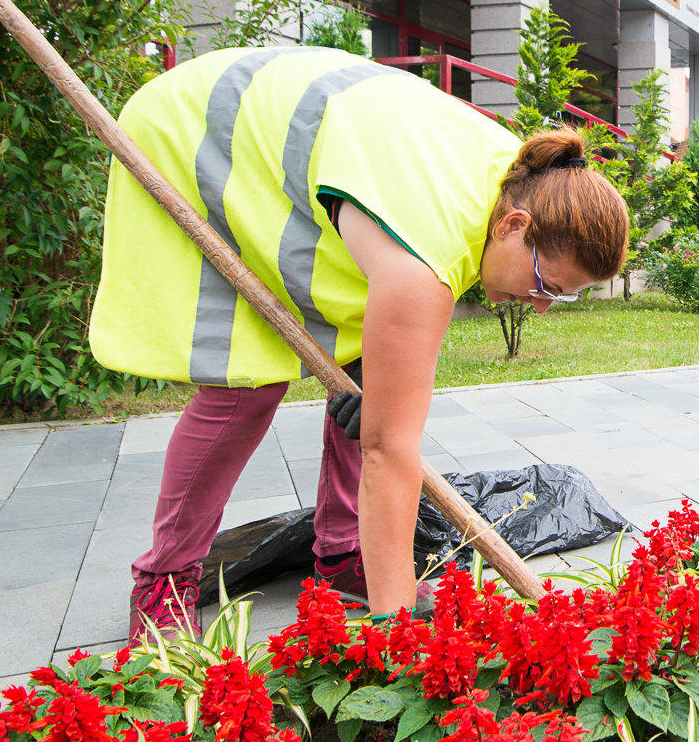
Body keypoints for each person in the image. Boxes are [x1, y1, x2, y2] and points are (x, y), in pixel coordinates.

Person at [91, 45, 629, 638]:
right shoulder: (425, 255)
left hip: (313, 155)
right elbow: (388, 451)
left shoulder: (533, 178)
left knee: (368, 385)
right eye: (545, 284)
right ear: (513, 226)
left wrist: (377, 403)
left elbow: (386, 406)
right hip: (207, 129)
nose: (543, 305)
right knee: (246, 389)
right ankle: (164, 580)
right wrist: (395, 626)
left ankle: (344, 552)